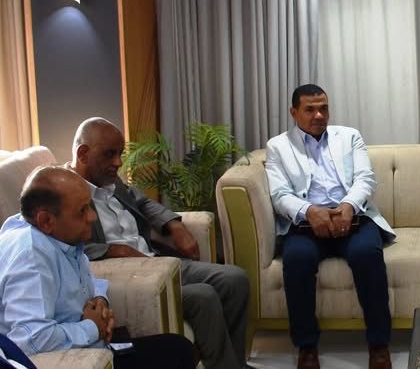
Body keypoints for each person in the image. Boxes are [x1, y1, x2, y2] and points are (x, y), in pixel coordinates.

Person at [65, 118, 250, 369]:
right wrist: (117, 250)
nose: (118, 163)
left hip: (156, 260)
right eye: (110, 154)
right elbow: (67, 245)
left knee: (235, 279)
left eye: (120, 154)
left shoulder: (109, 179)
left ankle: (235, 363)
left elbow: (142, 202)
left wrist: (175, 225)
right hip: (131, 279)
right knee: (204, 295)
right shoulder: (64, 193)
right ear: (83, 154)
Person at [0, 167, 196, 368]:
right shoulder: (31, 256)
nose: (92, 217)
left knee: (177, 348)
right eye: (82, 210)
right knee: (177, 353)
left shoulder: (58, 236)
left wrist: (100, 301)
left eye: (90, 206)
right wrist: (93, 327)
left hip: (95, 346)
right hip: (78, 360)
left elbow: (88, 280)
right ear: (46, 220)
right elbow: (31, 339)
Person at [265, 84, 396, 369]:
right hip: (306, 224)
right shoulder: (278, 146)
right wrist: (310, 211)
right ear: (294, 112)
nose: (319, 115)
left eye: (323, 108)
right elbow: (280, 194)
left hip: (353, 219)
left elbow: (365, 178)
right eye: (310, 109)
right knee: (297, 260)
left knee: (367, 255)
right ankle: (307, 347)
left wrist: (348, 206)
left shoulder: (349, 136)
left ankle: (379, 345)